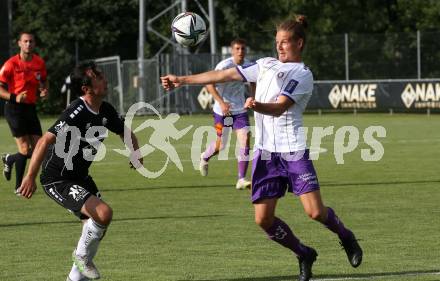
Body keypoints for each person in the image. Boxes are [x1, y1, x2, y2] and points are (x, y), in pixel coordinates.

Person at [161, 15, 362, 281]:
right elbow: (223, 74)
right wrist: (182, 80)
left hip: (293, 152)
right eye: (277, 42)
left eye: (285, 42)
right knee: (263, 220)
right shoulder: (265, 64)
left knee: (315, 212)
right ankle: (303, 253)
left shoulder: (302, 74)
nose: (279, 47)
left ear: (299, 43)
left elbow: (279, 107)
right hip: (266, 154)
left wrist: (256, 106)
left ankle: (346, 237)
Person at [18, 62, 143, 281]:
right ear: (87, 88)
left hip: (80, 177)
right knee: (103, 213)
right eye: (98, 77)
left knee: (96, 229)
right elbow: (45, 141)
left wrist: (135, 151)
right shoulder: (76, 110)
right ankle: (81, 258)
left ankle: (75, 276)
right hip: (57, 179)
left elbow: (125, 132)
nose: (104, 79)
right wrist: (29, 177)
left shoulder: (105, 109)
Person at [201, 38, 254, 190]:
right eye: (237, 48)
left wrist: (252, 97)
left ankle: (241, 179)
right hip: (223, 112)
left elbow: (253, 82)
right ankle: (205, 156)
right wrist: (221, 103)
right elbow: (209, 83)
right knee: (221, 146)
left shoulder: (249, 65)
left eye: (243, 48)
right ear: (232, 51)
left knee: (245, 140)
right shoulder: (224, 66)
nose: (240, 51)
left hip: (239, 111)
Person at [0, 32, 49, 194]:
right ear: (19, 44)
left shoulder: (39, 62)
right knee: (25, 149)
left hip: (30, 108)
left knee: (39, 149)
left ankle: (9, 159)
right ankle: (19, 187)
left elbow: (43, 80)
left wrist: (44, 90)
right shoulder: (10, 64)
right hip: (14, 108)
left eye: (31, 41)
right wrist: (15, 97)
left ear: (34, 44)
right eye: (25, 41)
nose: (28, 44)